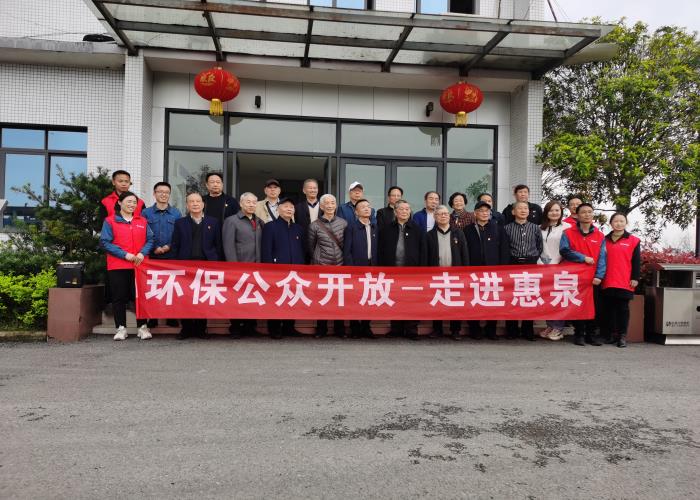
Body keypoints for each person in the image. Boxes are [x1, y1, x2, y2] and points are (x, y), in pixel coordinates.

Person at [99, 191, 154, 341]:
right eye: (129, 201)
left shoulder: (142, 221)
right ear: (120, 203)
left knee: (140, 297)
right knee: (119, 297)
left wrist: (142, 253)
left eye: (134, 202)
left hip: (140, 266)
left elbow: (150, 239)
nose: (132, 205)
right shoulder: (110, 221)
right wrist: (125, 255)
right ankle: (121, 328)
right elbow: (104, 242)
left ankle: (142, 327)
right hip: (118, 265)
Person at [171, 192, 222, 339]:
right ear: (187, 205)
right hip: (185, 266)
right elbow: (175, 245)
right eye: (191, 201)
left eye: (198, 201)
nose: (195, 204)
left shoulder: (213, 222)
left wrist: (217, 263)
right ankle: (186, 329)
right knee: (185, 298)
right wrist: (174, 265)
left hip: (207, 265)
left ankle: (201, 329)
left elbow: (218, 245)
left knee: (203, 298)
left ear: (203, 204)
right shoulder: (180, 223)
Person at [559, 203, 607, 347]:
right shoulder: (568, 233)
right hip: (575, 277)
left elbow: (602, 257)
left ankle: (591, 335)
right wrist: (583, 258)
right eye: (583, 212)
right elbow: (564, 251)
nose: (587, 215)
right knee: (578, 305)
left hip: (593, 278)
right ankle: (579, 334)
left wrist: (599, 275)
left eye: (589, 212)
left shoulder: (600, 235)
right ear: (577, 215)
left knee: (594, 306)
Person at [379, 199, 427, 340]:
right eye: (401, 209)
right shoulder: (387, 229)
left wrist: (422, 270)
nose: (405, 211)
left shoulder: (417, 229)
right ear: (395, 211)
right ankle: (396, 329)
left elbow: (423, 251)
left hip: (412, 272)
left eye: (407, 209)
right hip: (392, 271)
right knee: (394, 299)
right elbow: (381, 250)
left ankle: (412, 330)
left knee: (412, 301)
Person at [464, 200, 510, 340]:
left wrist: (502, 269)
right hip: (474, 271)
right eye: (481, 211)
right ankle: (475, 329)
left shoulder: (498, 228)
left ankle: (491, 329)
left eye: (487, 211)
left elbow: (504, 250)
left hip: (493, 271)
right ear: (475, 213)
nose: (484, 213)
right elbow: (464, 250)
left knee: (492, 300)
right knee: (473, 299)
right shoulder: (468, 230)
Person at [222, 192, 265, 338]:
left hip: (256, 267)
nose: (251, 205)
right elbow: (228, 246)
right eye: (248, 202)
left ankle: (250, 327)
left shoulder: (259, 221)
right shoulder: (232, 221)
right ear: (241, 204)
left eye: (254, 202)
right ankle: (235, 327)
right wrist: (233, 267)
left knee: (252, 297)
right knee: (236, 298)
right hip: (239, 266)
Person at [261, 197, 305, 339]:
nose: (289, 209)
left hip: (295, 272)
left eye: (291, 207)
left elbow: (303, 250)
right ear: (278, 209)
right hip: (276, 271)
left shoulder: (298, 229)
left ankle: (289, 327)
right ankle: (274, 329)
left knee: (292, 298)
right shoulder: (270, 227)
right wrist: (269, 269)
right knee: (275, 299)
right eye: (285, 206)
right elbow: (266, 250)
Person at [141, 181, 182, 329]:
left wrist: (168, 246)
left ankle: (171, 317)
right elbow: (142, 233)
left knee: (171, 286)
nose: (163, 194)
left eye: (166, 192)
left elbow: (179, 233)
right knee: (153, 287)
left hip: (171, 255)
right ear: (154, 194)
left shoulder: (176, 213)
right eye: (160, 192)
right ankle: (152, 317)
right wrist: (154, 247)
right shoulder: (146, 213)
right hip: (152, 255)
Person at [426, 205, 469, 340]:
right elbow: (426, 256)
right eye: (440, 214)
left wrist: (465, 272)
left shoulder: (458, 233)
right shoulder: (429, 235)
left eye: (445, 213)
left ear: (449, 216)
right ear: (435, 217)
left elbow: (464, 254)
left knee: (455, 302)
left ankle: (455, 330)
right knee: (437, 301)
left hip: (455, 274)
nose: (443, 216)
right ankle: (437, 329)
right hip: (436, 274)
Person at [308, 194, 348, 338]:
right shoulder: (314, 225)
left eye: (332, 203)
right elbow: (311, 247)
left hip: (340, 266)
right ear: (322, 206)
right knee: (322, 298)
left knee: (339, 299)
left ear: (336, 205)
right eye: (327, 203)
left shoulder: (343, 223)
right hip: (322, 266)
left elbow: (347, 245)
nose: (330, 205)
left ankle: (340, 329)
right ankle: (321, 329)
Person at [503, 201, 543, 341]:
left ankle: (528, 330)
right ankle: (511, 330)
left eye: (526, 208)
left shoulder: (535, 228)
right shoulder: (507, 228)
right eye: (520, 208)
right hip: (513, 264)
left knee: (529, 296)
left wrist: (532, 258)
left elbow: (539, 246)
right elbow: (505, 247)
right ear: (513, 212)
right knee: (512, 297)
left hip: (530, 264)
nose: (523, 210)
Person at [600, 213, 640, 348]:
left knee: (623, 308)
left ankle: (622, 336)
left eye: (622, 221)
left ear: (626, 223)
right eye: (616, 221)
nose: (619, 223)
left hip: (625, 280)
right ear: (610, 223)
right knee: (609, 308)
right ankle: (612, 334)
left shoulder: (633, 240)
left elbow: (636, 261)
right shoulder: (604, 240)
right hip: (607, 279)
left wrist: (635, 277)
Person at [343, 198, 378, 338]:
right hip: (356, 268)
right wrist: (350, 268)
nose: (366, 208)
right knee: (355, 298)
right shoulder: (351, 227)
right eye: (362, 207)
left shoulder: (375, 227)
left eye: (368, 206)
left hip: (372, 268)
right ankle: (355, 328)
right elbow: (347, 250)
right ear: (356, 212)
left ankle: (366, 326)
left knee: (369, 298)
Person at [538, 200, 571, 341]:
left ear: (561, 212)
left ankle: (558, 328)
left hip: (559, 267)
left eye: (557, 210)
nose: (554, 213)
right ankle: (550, 325)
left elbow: (569, 248)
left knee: (558, 298)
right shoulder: (540, 228)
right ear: (546, 212)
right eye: (551, 210)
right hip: (542, 267)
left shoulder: (567, 227)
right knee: (547, 298)